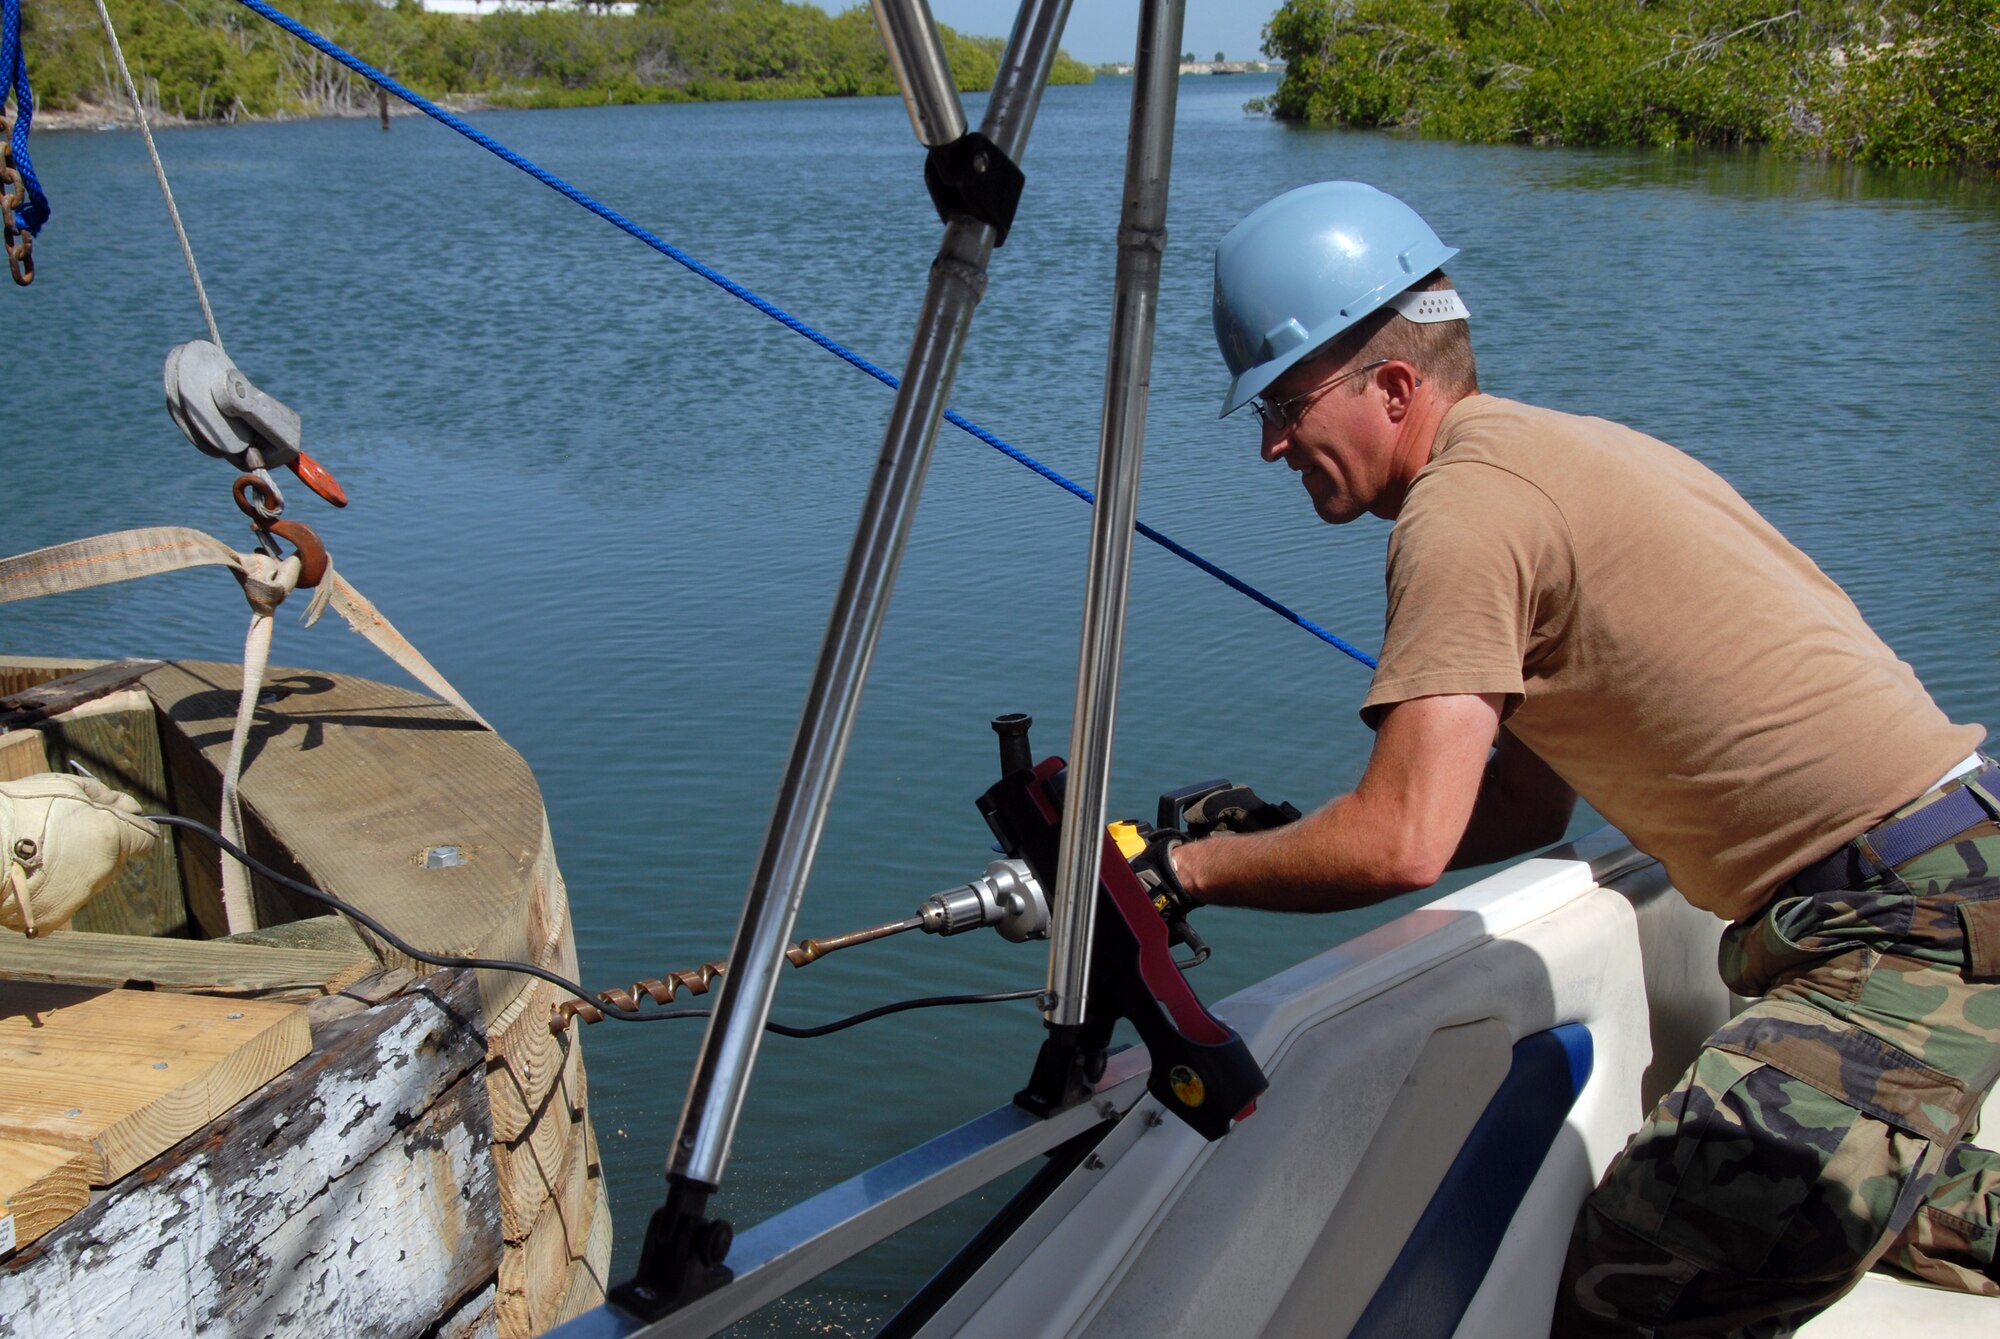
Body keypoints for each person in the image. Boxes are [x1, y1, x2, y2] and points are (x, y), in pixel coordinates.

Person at [1163, 180, 2000, 1336]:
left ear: (1394, 386)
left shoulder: (1461, 515)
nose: (1267, 444)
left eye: (1284, 403)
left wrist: (1183, 873)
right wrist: (1282, 835)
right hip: (1938, 884)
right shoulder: (1544, 451)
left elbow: (1400, 845)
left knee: (1638, 1269)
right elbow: (1514, 806)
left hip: (1895, 932)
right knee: (1815, 1201)